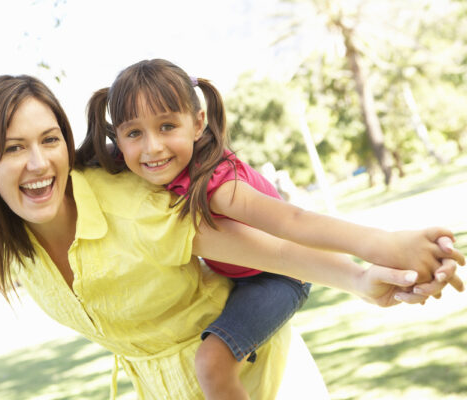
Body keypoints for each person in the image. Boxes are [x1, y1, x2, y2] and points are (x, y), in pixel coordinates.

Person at [0, 74, 462, 400]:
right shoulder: (11, 241)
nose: (37, 162)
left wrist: (366, 273)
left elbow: (271, 246)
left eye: (49, 140)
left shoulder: (140, 207)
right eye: (11, 148)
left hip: (255, 377)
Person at [80, 58, 466, 399]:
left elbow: (292, 221)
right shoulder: (136, 169)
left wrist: (383, 244)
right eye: (134, 133)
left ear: (198, 124)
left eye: (167, 126)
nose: (152, 147)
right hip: (237, 276)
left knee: (212, 364)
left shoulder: (220, 185)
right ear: (118, 138)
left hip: (277, 278)